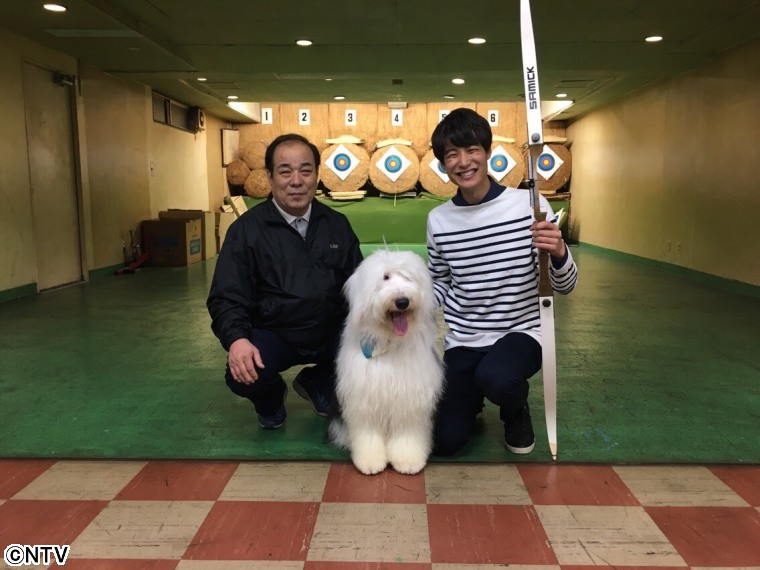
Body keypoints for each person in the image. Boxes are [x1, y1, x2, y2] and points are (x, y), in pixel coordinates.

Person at [426, 108, 578, 456]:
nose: (464, 162)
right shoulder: (439, 220)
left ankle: (514, 407)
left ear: (488, 152)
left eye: (472, 150)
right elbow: (439, 281)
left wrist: (558, 251)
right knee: (445, 442)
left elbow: (566, 286)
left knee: (497, 377)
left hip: (523, 333)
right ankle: (473, 400)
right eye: (452, 154)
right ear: (443, 164)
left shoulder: (529, 206)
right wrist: (409, 305)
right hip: (465, 340)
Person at [207, 133, 363, 430]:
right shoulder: (246, 230)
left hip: (329, 331)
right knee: (245, 372)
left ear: (316, 175)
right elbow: (226, 296)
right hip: (274, 333)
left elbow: (359, 284)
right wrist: (237, 340)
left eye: (305, 170)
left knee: (376, 348)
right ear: (270, 177)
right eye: (285, 171)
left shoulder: (336, 225)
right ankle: (271, 399)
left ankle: (319, 381)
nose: (296, 181)